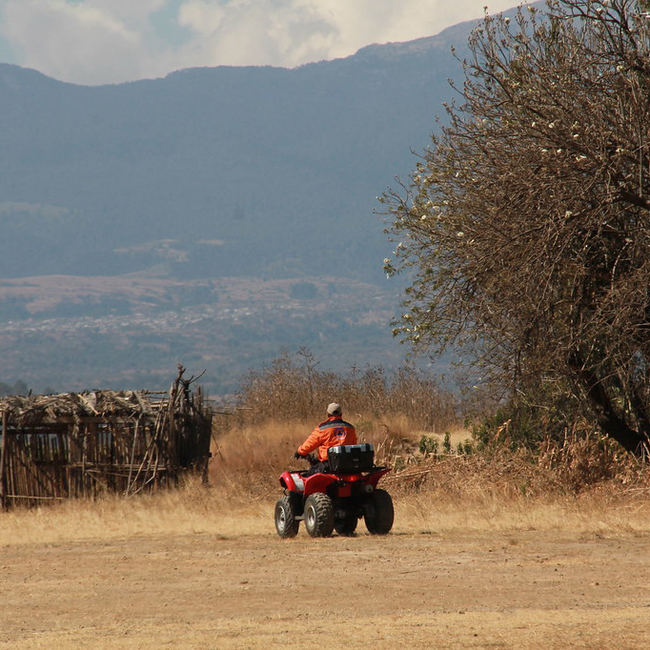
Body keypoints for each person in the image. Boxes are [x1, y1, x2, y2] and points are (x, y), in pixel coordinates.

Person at [295, 402, 357, 474]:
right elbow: (354, 444)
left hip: (328, 467)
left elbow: (310, 444)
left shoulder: (322, 429)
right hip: (348, 465)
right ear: (341, 414)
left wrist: (300, 452)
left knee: (307, 478)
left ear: (328, 415)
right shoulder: (350, 428)